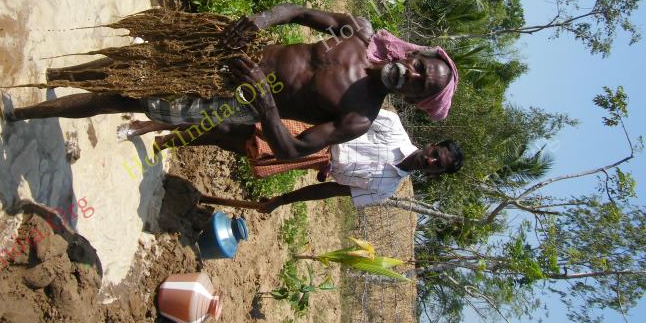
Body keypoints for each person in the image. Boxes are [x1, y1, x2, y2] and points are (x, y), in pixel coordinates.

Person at [8, 4, 459, 161]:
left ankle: (23, 113)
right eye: (421, 67)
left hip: (231, 100)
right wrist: (257, 21)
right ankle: (54, 75)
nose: (413, 76)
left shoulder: (359, 117)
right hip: (229, 50)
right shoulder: (358, 34)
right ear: (415, 54)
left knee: (123, 97)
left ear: (415, 100)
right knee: (134, 60)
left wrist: (266, 107)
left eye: (420, 85)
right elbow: (298, 12)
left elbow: (293, 150)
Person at [124, 108, 464, 212]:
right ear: (432, 145)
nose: (432, 161)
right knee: (231, 126)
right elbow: (336, 112)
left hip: (306, 161)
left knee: (232, 144)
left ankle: (169, 137)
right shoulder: (391, 125)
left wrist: (281, 200)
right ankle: (153, 125)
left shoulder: (385, 188)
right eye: (437, 155)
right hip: (306, 129)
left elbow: (331, 191)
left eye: (439, 166)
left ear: (435, 175)